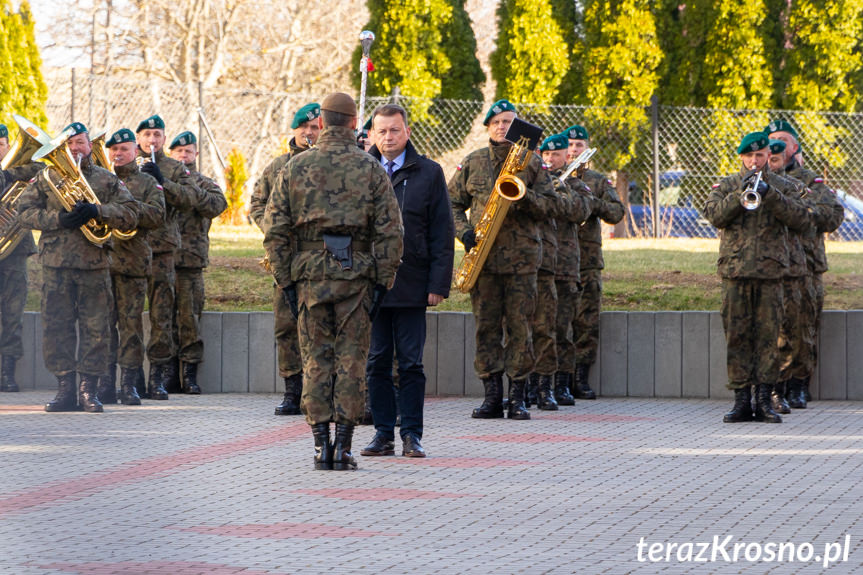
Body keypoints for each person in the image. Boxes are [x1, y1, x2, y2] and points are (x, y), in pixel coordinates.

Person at [263, 92, 403, 471]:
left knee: (315, 361)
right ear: (355, 124)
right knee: (352, 361)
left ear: (321, 123)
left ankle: (319, 445)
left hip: (309, 277)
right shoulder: (371, 168)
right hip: (355, 277)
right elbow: (391, 231)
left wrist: (286, 281)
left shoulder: (294, 167)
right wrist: (382, 280)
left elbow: (274, 230)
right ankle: (342, 445)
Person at [17, 122, 138, 412]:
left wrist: (99, 211)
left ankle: (88, 391)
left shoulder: (107, 180)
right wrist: (57, 220)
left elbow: (132, 214)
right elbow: (24, 213)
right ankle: (64, 390)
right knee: (56, 328)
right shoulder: (47, 177)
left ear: (90, 146)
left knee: (96, 329)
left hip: (94, 265)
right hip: (55, 265)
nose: (74, 148)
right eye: (69, 143)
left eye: (80, 143)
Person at [450, 99, 557, 421]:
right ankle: (492, 397)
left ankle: (519, 396)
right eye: (496, 122)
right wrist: (464, 233)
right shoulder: (473, 161)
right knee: (486, 328)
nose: (502, 127)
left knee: (520, 329)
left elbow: (553, 207)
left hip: (523, 261)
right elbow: (450, 204)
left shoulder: (533, 164)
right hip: (483, 261)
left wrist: (526, 197)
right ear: (488, 128)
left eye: (508, 122)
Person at [359, 104, 453, 459]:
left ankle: (411, 434)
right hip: (371, 284)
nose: (387, 137)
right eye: (381, 131)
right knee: (377, 361)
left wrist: (437, 284)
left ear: (407, 132)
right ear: (371, 134)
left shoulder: (428, 172)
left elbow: (442, 232)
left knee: (411, 363)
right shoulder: (362, 170)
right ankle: (383, 433)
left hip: (412, 283)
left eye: (394, 130)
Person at [703, 132, 809, 423]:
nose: (754, 161)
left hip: (771, 273)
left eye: (759, 156)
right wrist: (740, 198)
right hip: (735, 273)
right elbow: (714, 215)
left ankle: (764, 399)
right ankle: (741, 401)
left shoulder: (783, 186)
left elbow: (802, 219)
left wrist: (770, 195)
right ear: (741, 157)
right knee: (737, 337)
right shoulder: (727, 185)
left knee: (768, 339)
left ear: (767, 156)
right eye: (749, 156)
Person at [765, 120, 845, 407]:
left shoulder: (810, 182)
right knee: (772, 330)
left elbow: (832, 215)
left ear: (794, 147)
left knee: (802, 328)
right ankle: (774, 387)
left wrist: (798, 212)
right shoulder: (757, 180)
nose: (775, 145)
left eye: (782, 140)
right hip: (770, 266)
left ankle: (799, 385)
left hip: (806, 266)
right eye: (771, 139)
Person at [250, 102, 320, 415]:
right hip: (286, 259)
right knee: (286, 324)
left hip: (320, 259)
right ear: (293, 131)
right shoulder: (277, 167)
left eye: (315, 128)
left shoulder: (328, 163)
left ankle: (319, 389)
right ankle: (293, 390)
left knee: (319, 325)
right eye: (304, 128)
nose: (309, 133)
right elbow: (257, 205)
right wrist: (275, 229)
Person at [135, 114, 203, 399]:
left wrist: (162, 181)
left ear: (164, 138)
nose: (152, 140)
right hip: (131, 251)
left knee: (162, 317)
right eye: (147, 135)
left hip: (163, 251)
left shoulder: (175, 168)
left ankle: (158, 377)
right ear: (138, 138)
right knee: (129, 317)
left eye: (157, 135)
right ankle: (132, 376)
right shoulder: (123, 163)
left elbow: (191, 198)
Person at [101, 128, 166, 405]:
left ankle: (129, 384)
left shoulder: (147, 182)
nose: (118, 154)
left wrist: (124, 210)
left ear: (135, 151)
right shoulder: (100, 179)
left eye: (124, 149)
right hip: (102, 262)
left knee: (131, 327)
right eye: (113, 150)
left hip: (132, 263)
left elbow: (158, 215)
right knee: (102, 327)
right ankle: (104, 383)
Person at [539, 133, 599, 407]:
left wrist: (557, 188)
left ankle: (561, 385)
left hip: (564, 266)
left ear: (567, 156)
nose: (551, 159)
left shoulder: (577, 184)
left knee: (562, 329)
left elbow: (580, 211)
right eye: (546, 154)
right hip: (538, 265)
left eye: (556, 154)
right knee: (536, 327)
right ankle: (535, 385)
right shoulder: (533, 182)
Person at [565, 125, 624, 399]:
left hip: (587, 260)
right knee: (557, 321)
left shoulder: (598, 181)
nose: (574, 149)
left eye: (579, 145)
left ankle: (581, 377)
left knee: (586, 321)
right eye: (570, 145)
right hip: (558, 261)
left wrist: (593, 202)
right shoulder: (552, 177)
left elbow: (616, 212)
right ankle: (559, 380)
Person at [169, 131, 228, 393]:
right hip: (162, 260)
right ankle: (167, 374)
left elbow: (218, 205)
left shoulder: (204, 183)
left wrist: (188, 189)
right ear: (171, 154)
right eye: (179, 152)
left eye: (188, 151)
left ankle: (189, 375)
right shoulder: (159, 180)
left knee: (189, 320)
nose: (183, 155)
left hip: (190, 261)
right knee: (164, 321)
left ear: (195, 154)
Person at [0, 123, 45, 392]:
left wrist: (6, 174)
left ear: (8, 146)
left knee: (12, 312)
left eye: (0, 144)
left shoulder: (22, 168)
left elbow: (41, 171)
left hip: (13, 249)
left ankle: (7, 371)